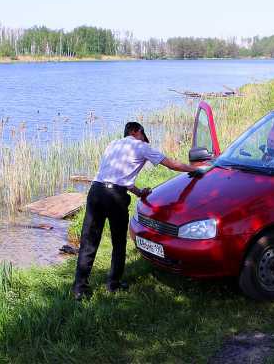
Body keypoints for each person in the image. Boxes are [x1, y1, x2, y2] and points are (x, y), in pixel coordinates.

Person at [72, 121, 200, 300]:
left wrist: (139, 192)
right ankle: (113, 284)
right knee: (118, 242)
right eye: (142, 134)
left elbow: (119, 176)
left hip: (95, 191)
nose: (143, 138)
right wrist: (195, 169)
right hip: (114, 197)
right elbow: (171, 164)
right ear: (135, 131)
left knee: (89, 240)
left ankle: (79, 289)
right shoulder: (141, 146)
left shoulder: (113, 144)